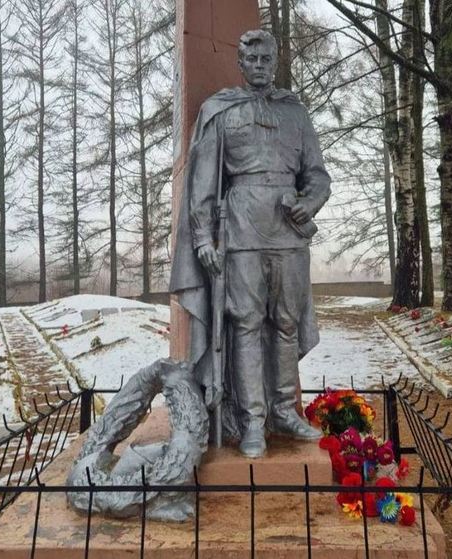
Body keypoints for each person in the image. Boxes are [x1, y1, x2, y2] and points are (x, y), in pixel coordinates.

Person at [169, 29, 331, 458]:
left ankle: (283, 410)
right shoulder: (221, 112)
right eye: (251, 59)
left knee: (285, 323)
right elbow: (203, 184)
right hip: (240, 232)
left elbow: (317, 174)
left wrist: (308, 203)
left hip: (289, 231)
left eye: (266, 59)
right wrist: (203, 237)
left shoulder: (296, 114)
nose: (259, 66)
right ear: (241, 64)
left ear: (275, 61)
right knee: (246, 323)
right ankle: (252, 421)